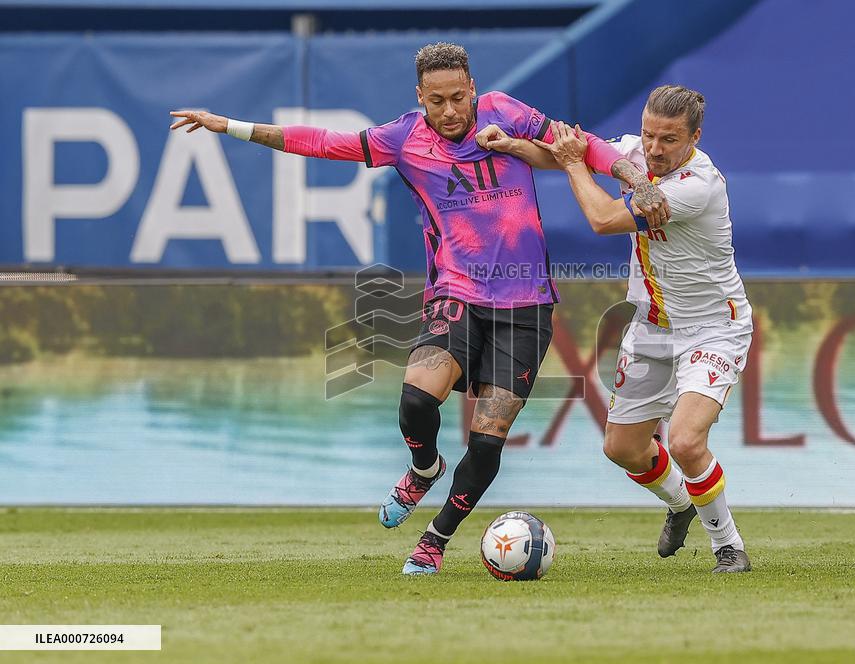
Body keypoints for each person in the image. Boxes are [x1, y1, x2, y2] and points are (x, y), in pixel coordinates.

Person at [169, 42, 668, 575]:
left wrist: (637, 179)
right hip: (456, 294)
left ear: (473, 89)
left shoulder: (506, 113)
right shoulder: (404, 138)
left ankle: (434, 540)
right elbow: (320, 143)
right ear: (420, 99)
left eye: (458, 97)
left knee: (488, 437)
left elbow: (581, 145)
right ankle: (424, 469)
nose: (450, 111)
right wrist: (228, 125)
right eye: (437, 101)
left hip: (526, 306)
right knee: (413, 402)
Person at [479, 85, 753, 573]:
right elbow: (569, 149)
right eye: (649, 134)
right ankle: (681, 504)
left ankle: (728, 547)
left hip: (712, 328)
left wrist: (572, 164)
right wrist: (512, 145)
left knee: (687, 442)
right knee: (622, 448)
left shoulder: (697, 186)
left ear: (695, 137)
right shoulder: (633, 152)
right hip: (651, 327)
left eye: (668, 139)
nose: (653, 148)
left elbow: (603, 219)